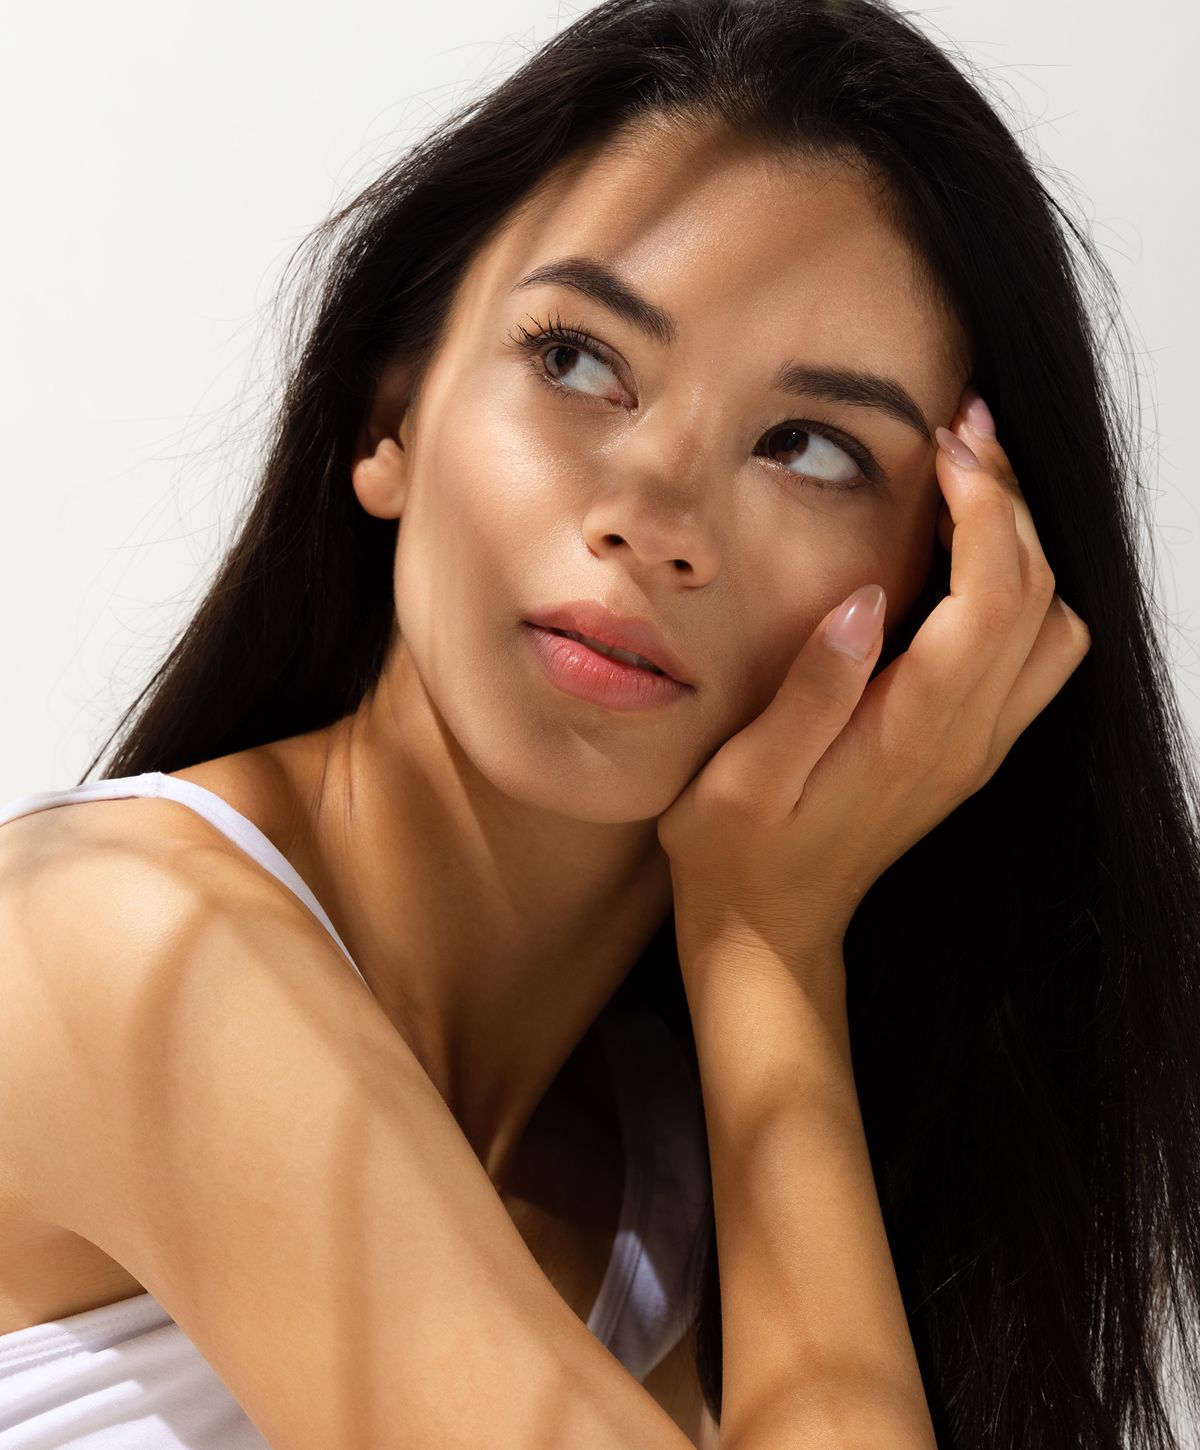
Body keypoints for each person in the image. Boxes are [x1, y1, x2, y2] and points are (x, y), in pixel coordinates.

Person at [0, 0, 1196, 1445]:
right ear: (389, 414)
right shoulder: (112, 935)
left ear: (940, 593)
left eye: (808, 447)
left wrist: (767, 957)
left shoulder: (686, 1174)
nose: (658, 516)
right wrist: (766, 940)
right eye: (576, 360)